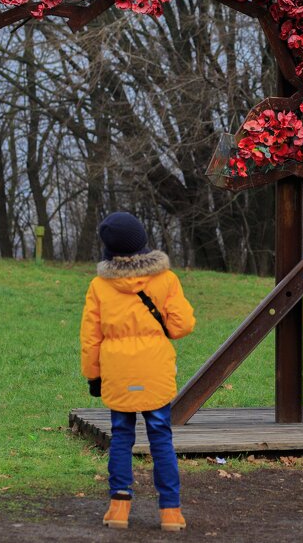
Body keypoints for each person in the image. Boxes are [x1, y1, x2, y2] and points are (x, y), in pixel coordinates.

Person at [81, 212, 196, 532]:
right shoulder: (166, 279)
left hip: (118, 373)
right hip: (154, 371)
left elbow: (90, 337)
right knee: (161, 438)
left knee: (121, 437)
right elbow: (183, 325)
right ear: (141, 241)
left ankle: (119, 509)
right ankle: (170, 512)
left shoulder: (99, 286)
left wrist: (93, 376)